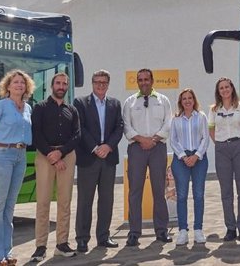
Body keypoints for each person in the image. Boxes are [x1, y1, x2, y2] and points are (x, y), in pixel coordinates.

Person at [0, 69, 34, 266]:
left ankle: (6, 253)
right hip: (1, 155)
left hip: (20, 156)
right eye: (15, 82)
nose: (19, 85)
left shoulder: (27, 108)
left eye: (22, 82)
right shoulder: (0, 105)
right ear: (8, 86)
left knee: (9, 208)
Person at [30, 73, 81, 261]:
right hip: (45, 156)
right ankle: (40, 246)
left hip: (66, 156)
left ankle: (62, 243)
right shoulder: (40, 108)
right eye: (58, 83)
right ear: (52, 85)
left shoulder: (72, 110)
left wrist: (62, 153)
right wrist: (52, 155)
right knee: (43, 202)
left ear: (67, 87)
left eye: (64, 84)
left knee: (65, 202)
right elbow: (36, 134)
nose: (61, 86)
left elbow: (77, 135)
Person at [73, 70, 124, 252]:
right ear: (92, 83)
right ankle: (82, 239)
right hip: (89, 157)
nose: (100, 85)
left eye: (104, 82)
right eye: (97, 82)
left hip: (109, 158)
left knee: (106, 200)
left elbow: (119, 127)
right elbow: (80, 128)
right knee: (85, 201)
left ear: (108, 84)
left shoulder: (115, 104)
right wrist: (95, 147)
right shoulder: (80, 103)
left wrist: (108, 146)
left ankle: (103, 236)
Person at [122, 68, 173, 246]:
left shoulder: (163, 100)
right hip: (136, 148)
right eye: (140, 80)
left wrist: (154, 139)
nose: (143, 82)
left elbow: (168, 123)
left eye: (146, 79)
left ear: (152, 81)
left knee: (159, 190)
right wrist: (142, 139)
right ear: (137, 82)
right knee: (135, 191)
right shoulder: (129, 102)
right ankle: (134, 232)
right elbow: (127, 127)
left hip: (157, 147)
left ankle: (161, 231)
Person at [208, 77, 240, 242]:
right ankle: (230, 228)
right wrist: (220, 143)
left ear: (232, 88)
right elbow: (211, 129)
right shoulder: (214, 109)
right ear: (218, 92)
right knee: (226, 191)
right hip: (222, 150)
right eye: (221, 88)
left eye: (227, 87)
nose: (225, 90)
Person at [169, 88, 210, 246]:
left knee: (199, 195)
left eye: (190, 98)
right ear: (181, 102)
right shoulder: (176, 119)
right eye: (184, 98)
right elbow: (173, 140)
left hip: (199, 158)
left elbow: (205, 138)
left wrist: (196, 156)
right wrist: (184, 157)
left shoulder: (201, 117)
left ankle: (198, 230)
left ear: (194, 100)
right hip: (181, 160)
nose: (187, 101)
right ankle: (182, 231)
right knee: (182, 195)